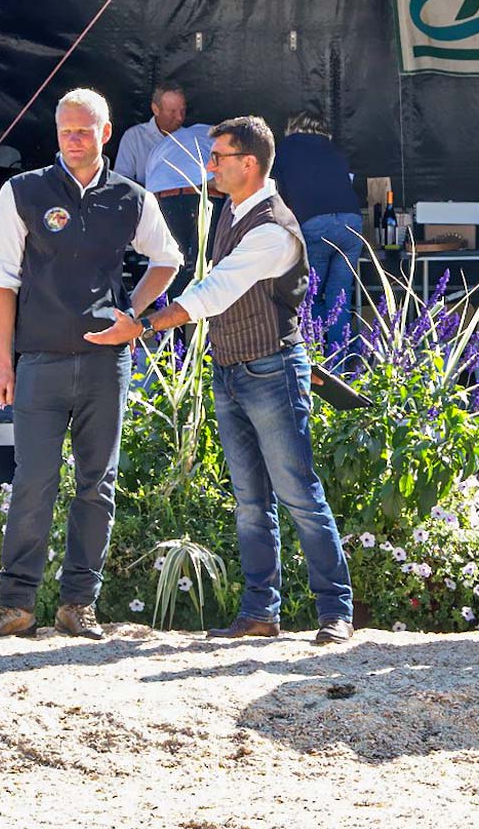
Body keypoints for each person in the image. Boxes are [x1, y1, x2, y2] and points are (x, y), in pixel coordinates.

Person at [85, 116, 355, 643]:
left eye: (218, 158)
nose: (209, 166)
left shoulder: (273, 228)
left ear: (248, 164)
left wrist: (142, 325)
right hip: (233, 370)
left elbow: (215, 291)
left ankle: (335, 611)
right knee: (251, 501)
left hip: (272, 370)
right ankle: (260, 613)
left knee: (298, 492)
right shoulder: (234, 209)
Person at [0, 88, 183, 642]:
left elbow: (168, 259)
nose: (72, 139)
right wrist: (1, 363)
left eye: (83, 130)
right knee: (33, 483)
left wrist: (133, 316)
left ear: (106, 133)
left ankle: (77, 605)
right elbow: (1, 281)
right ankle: (16, 605)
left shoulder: (130, 197)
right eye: (65, 130)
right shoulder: (22, 191)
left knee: (98, 485)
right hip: (38, 360)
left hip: (103, 363)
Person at [276, 111, 365, 353]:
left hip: (315, 224)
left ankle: (316, 361)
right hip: (352, 223)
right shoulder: (334, 150)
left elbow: (278, 196)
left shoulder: (285, 149)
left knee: (311, 296)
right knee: (340, 298)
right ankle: (340, 366)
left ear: (292, 127)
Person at [141, 118, 216, 299]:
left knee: (170, 259)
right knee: (204, 259)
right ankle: (195, 313)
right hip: (202, 192)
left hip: (161, 197)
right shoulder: (218, 139)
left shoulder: (168, 142)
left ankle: (169, 315)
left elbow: (149, 179)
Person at [112, 81, 187, 183]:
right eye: (172, 111)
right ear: (155, 109)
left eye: (182, 110)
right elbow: (122, 180)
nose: (179, 117)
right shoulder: (134, 137)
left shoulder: (189, 139)